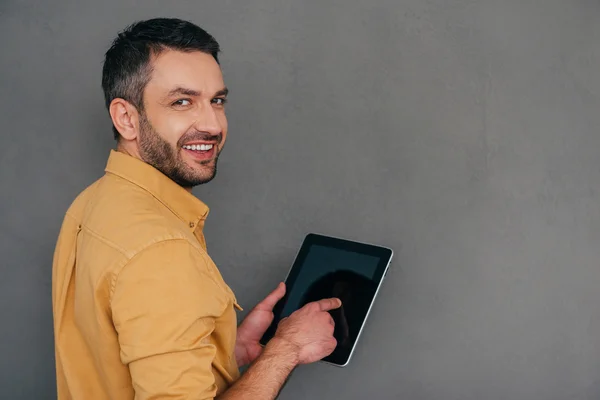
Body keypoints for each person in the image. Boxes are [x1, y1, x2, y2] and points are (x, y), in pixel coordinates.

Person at [51, 17, 340, 400]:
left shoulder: (93, 203)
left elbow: (113, 358)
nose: (212, 124)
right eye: (182, 102)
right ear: (126, 118)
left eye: (216, 100)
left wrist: (225, 351)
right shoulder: (160, 250)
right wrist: (286, 349)